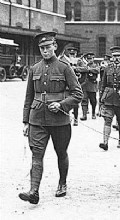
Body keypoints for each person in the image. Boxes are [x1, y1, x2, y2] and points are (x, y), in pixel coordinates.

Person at [19, 32, 83, 204]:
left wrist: (62, 104)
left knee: (61, 152)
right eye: (42, 48)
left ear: (55, 46)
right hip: (37, 119)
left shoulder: (64, 67)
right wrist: (26, 121)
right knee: (37, 154)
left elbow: (78, 94)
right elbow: (28, 97)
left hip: (59, 121)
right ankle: (34, 191)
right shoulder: (34, 69)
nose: (45, 51)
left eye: (48, 47)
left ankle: (62, 183)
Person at [99, 46, 120, 151]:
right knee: (107, 120)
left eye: (118, 56)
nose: (116, 58)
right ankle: (105, 142)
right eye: (114, 56)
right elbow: (103, 84)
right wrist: (101, 98)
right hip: (108, 97)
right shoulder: (107, 68)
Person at [58, 46, 81, 126]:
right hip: (66, 87)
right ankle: (66, 118)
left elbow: (84, 68)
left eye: (74, 53)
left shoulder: (79, 60)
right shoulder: (62, 61)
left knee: (75, 104)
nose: (72, 55)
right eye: (71, 53)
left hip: (75, 85)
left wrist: (77, 70)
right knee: (66, 102)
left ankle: (75, 119)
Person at [76, 52, 100, 120]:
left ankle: (93, 113)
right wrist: (85, 69)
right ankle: (84, 115)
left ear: (93, 59)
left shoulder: (95, 65)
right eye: (88, 58)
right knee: (84, 100)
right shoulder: (83, 65)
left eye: (91, 58)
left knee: (93, 100)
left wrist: (88, 69)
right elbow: (77, 69)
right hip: (84, 85)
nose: (89, 60)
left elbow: (97, 70)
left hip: (92, 85)